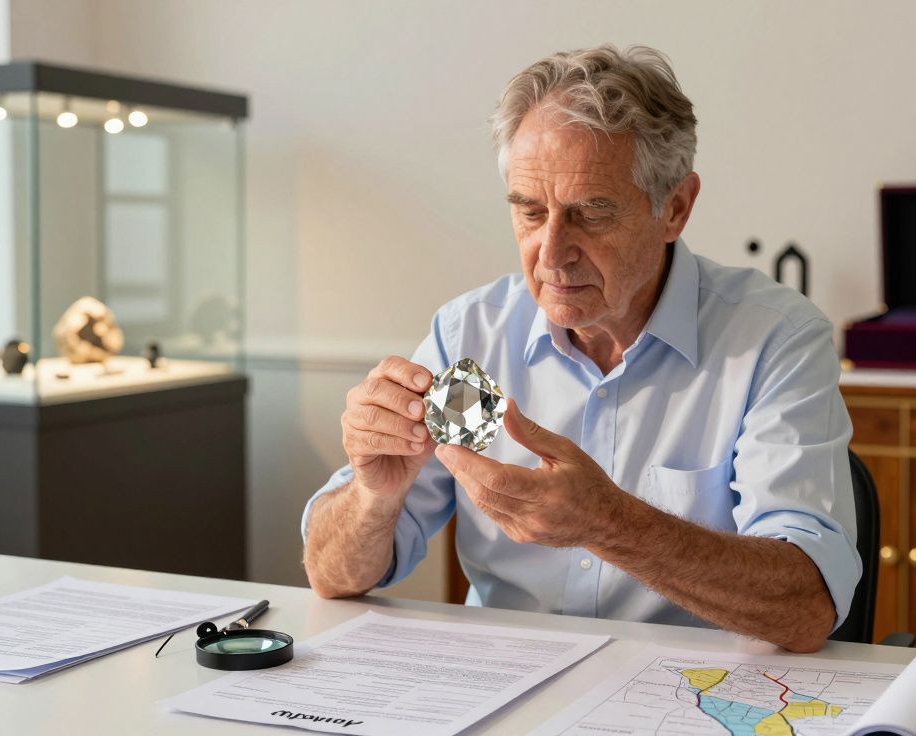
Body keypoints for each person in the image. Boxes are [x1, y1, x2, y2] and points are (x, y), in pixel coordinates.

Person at [301, 44, 859, 653]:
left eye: (591, 215)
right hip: (503, 687)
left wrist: (609, 523)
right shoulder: (472, 338)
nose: (551, 250)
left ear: (674, 207)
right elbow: (330, 577)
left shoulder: (772, 340)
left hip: (688, 694)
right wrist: (372, 496)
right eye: (531, 212)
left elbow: (806, 606)